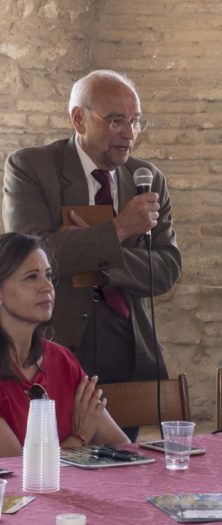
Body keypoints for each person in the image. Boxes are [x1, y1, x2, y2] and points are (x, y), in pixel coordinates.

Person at [2, 69, 181, 388]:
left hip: (128, 346)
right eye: (115, 121)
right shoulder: (31, 168)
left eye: (135, 120)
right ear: (79, 119)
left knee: (124, 440)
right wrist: (121, 228)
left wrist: (88, 255)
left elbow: (167, 269)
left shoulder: (148, 177)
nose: (129, 133)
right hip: (54, 342)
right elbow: (30, 261)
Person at [0, 233, 128, 458]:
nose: (47, 286)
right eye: (31, 277)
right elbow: (18, 474)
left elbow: (123, 448)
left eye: (48, 275)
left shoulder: (62, 359)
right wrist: (78, 438)